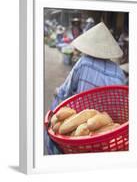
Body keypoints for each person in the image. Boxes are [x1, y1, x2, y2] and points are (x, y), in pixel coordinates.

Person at [46, 22, 126, 154]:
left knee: (55, 115)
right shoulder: (119, 73)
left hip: (83, 130)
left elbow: (65, 91)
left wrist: (57, 93)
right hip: (109, 127)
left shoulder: (84, 63)